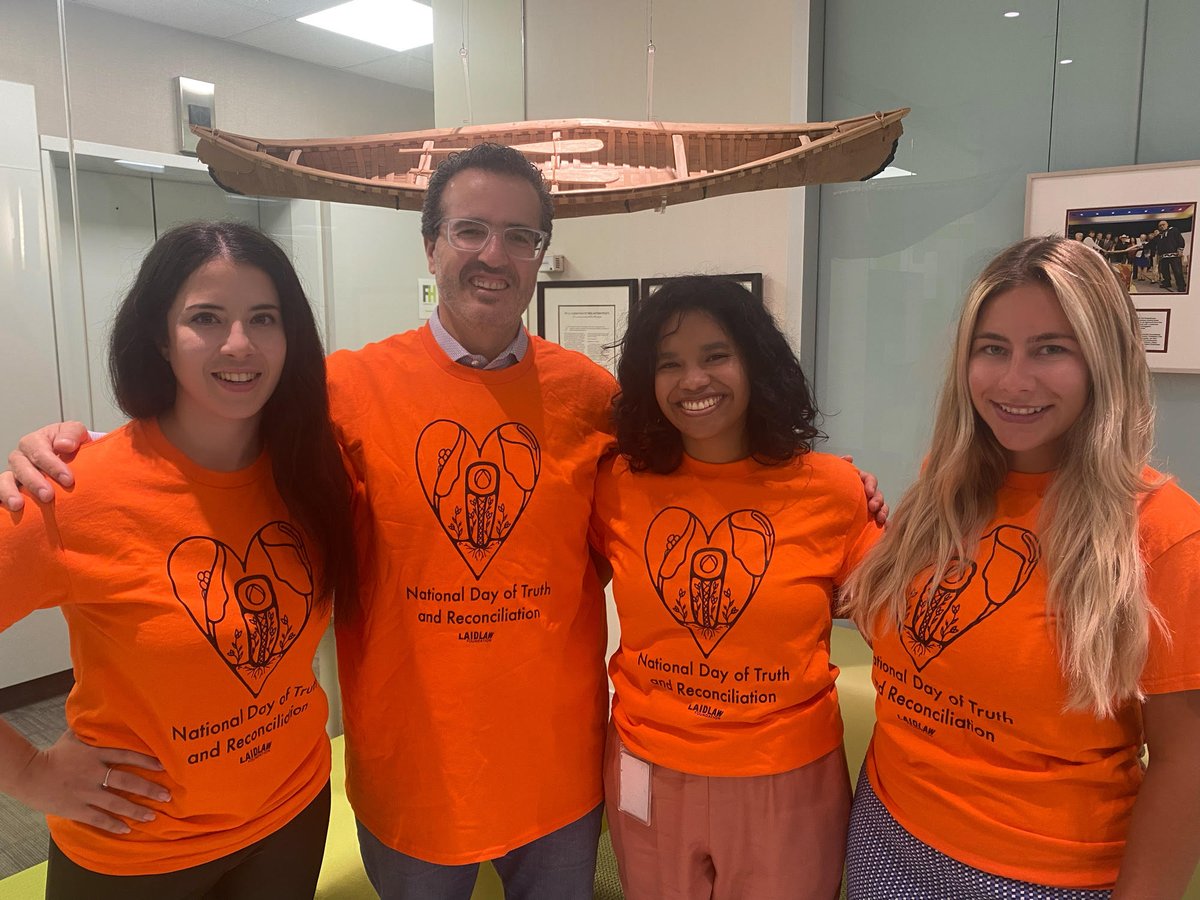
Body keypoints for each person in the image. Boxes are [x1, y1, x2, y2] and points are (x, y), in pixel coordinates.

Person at [1, 145, 887, 900]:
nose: (492, 253)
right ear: (431, 245)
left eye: (518, 235)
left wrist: (838, 494)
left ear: (540, 253)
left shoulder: (593, 397)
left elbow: (697, 479)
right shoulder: (344, 390)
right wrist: (61, 448)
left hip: (559, 782)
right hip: (409, 779)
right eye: (469, 229)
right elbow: (201, 445)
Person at [0, 221, 357, 898]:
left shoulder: (314, 471)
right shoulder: (71, 493)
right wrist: (29, 775)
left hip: (292, 815)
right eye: (206, 318)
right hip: (138, 853)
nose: (239, 344)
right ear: (161, 339)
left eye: (263, 318)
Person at [839, 236, 1200, 899]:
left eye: (1050, 349)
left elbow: (1187, 763)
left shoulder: (1165, 534)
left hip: (1042, 875)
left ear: (1103, 361)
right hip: (885, 826)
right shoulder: (942, 489)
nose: (1014, 381)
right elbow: (916, 641)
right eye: (993, 349)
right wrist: (841, 519)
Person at [592, 276, 880, 900]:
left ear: (756, 362)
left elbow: (898, 614)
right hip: (647, 767)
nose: (693, 380)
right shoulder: (615, 483)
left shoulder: (833, 489)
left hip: (787, 778)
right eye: (669, 364)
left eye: (716, 355)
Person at [1150, 220, 1187, 292]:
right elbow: (1151, 243)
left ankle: (1181, 285)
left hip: (1174, 255)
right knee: (1164, 271)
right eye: (1160, 226)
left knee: (1177, 271)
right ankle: (1167, 282)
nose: (1161, 226)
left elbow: (1180, 240)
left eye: (1163, 224)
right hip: (1163, 257)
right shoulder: (1160, 235)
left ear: (1167, 225)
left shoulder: (1173, 230)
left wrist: (1180, 249)